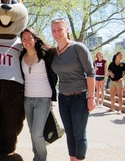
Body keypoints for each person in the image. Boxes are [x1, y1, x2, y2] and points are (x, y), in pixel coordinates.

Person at [51, 18, 95, 161]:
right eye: (54, 30)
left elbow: (90, 72)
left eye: (60, 29)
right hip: (63, 97)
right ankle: (72, 158)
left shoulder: (78, 48)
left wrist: (91, 98)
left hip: (80, 97)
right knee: (69, 133)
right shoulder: (53, 53)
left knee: (79, 134)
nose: (57, 33)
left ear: (67, 29)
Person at [19, 27, 57, 161]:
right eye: (24, 39)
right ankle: (36, 157)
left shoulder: (47, 54)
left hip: (43, 99)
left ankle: (41, 159)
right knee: (32, 132)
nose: (27, 41)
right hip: (27, 99)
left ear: (35, 39)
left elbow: (55, 72)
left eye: (29, 38)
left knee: (37, 134)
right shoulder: (21, 56)